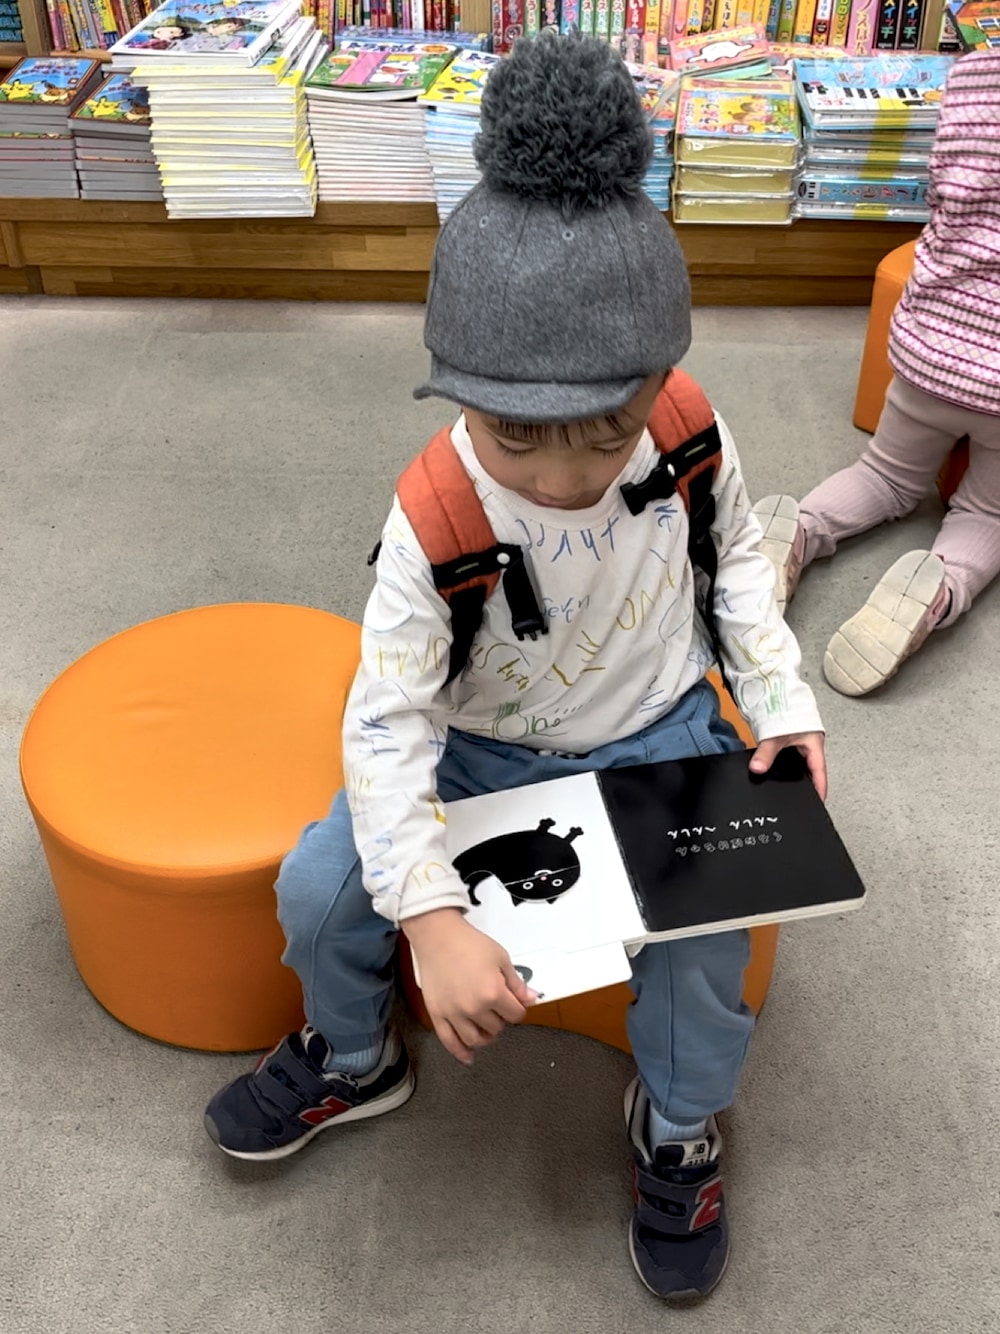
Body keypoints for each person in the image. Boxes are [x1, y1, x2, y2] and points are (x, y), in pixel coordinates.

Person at [203, 33, 826, 1302]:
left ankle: (678, 1124)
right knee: (320, 887)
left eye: (602, 434)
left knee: (704, 947)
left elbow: (740, 569)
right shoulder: (434, 513)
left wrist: (780, 702)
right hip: (477, 748)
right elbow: (385, 722)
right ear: (455, 394)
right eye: (514, 436)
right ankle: (355, 1054)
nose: (559, 475)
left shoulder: (690, 434)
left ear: (658, 381)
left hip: (658, 729)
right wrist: (430, 917)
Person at [753, 50, 1000, 697]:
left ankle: (799, 531)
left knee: (885, 477)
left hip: (930, 345)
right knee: (987, 513)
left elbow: (941, 197)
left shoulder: (975, 76)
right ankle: (939, 590)